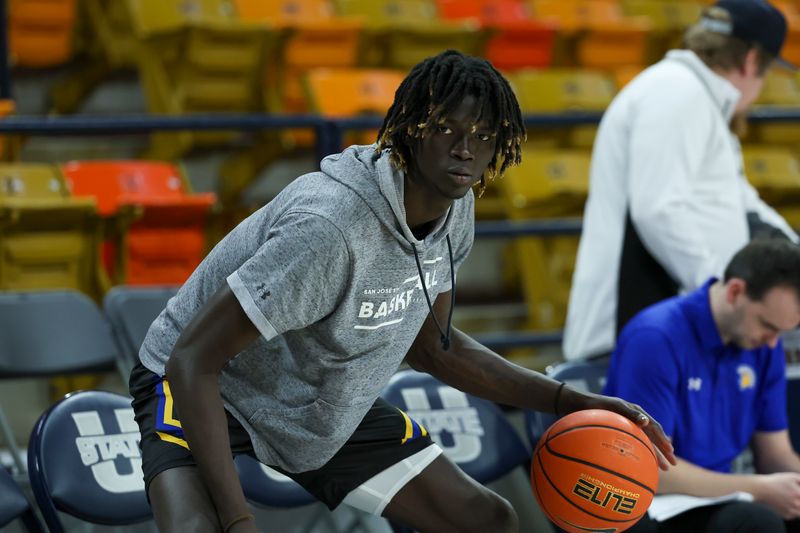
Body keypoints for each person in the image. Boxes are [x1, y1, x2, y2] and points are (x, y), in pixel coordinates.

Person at [128, 50, 675, 533]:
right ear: (410, 129)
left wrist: (567, 401)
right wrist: (239, 520)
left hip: (318, 399)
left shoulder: (455, 210)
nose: (465, 149)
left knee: (485, 520)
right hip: (207, 387)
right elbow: (193, 358)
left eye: (483, 136)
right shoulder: (331, 230)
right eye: (447, 129)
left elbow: (431, 345)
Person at [563, 0, 799, 362]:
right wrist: (721, 295)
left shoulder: (695, 99)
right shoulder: (677, 93)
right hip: (633, 331)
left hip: (663, 330)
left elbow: (746, 209)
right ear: (752, 60)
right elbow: (659, 210)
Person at [604, 239, 800, 533]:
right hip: (655, 502)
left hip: (721, 494)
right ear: (735, 291)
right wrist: (758, 488)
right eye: (767, 325)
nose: (773, 342)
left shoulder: (763, 344)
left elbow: (775, 453)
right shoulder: (656, 337)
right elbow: (648, 468)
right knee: (756, 523)